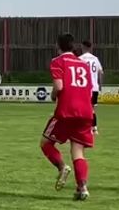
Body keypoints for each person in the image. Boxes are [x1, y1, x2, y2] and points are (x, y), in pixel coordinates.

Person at [40, 33, 95, 201]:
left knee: (45, 143)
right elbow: (90, 90)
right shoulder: (83, 64)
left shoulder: (57, 61)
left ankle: (62, 167)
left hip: (67, 111)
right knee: (78, 151)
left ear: (58, 46)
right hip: (86, 112)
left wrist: (53, 95)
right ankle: (82, 188)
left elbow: (59, 85)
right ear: (73, 46)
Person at [79, 41, 104, 135]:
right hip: (95, 88)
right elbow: (101, 73)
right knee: (92, 109)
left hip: (84, 88)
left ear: (82, 47)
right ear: (90, 48)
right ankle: (95, 128)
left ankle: (88, 128)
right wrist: (100, 85)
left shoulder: (80, 59)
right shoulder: (95, 59)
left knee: (84, 108)